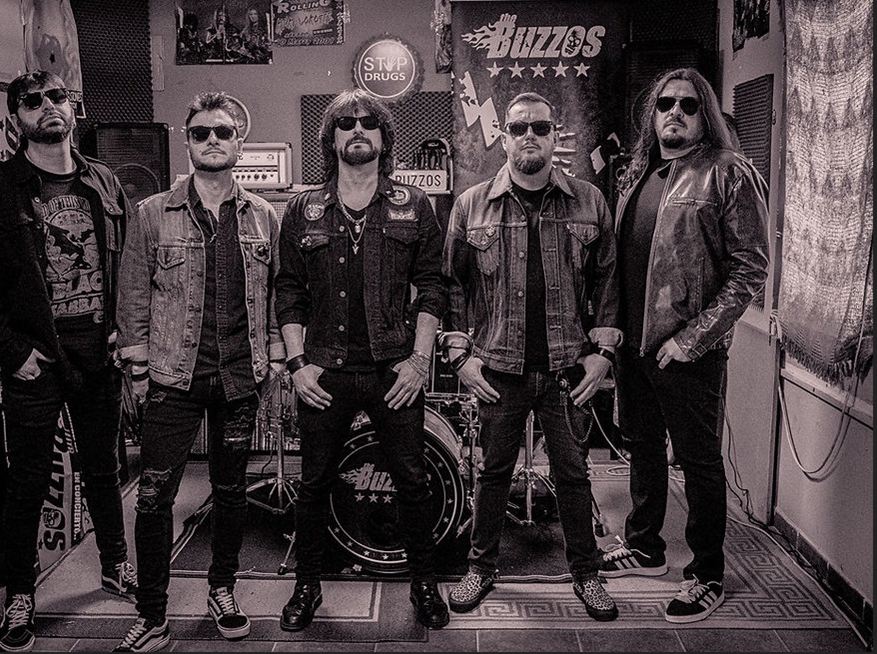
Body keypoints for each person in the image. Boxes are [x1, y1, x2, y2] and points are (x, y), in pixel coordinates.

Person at [0, 70, 137, 653]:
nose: (47, 107)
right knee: (28, 481)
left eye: (56, 96)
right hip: (35, 354)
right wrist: (13, 351)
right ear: (16, 118)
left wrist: (125, 332)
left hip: (99, 352)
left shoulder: (104, 181)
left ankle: (115, 565)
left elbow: (130, 267)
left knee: (104, 469)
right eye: (32, 102)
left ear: (71, 105)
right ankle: (19, 594)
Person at [112, 91, 285, 652]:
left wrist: (274, 361)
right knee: (153, 498)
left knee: (231, 491)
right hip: (171, 378)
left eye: (223, 132)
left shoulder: (264, 216)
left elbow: (278, 296)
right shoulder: (151, 213)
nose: (212, 140)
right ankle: (153, 615)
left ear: (239, 143)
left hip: (239, 377)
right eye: (201, 132)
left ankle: (222, 589)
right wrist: (138, 371)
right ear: (187, 142)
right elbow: (132, 298)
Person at [441, 91, 621, 622]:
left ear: (554, 135)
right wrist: (460, 356)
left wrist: (603, 353)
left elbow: (610, 280)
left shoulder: (589, 200)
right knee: (492, 473)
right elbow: (450, 285)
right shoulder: (472, 204)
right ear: (503, 137)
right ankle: (481, 568)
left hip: (569, 369)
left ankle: (586, 573)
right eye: (518, 128)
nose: (529, 136)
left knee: (574, 475)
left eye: (539, 128)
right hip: (498, 366)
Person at [275, 88, 450, 632]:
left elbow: (432, 287)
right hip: (322, 372)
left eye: (368, 122)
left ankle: (424, 584)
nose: (357, 129)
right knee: (313, 484)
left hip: (393, 369)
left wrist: (419, 361)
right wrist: (297, 364)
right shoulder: (302, 209)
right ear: (331, 139)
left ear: (383, 137)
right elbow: (288, 291)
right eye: (346, 122)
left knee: (413, 481)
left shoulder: (413, 205)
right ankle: (307, 586)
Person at [602, 67, 769, 623]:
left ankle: (707, 574)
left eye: (688, 105)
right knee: (643, 447)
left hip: (687, 350)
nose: (675, 112)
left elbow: (750, 270)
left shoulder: (728, 172)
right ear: (652, 113)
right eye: (665, 103)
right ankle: (645, 548)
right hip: (635, 346)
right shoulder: (638, 172)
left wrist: (692, 340)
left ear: (706, 115)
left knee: (698, 462)